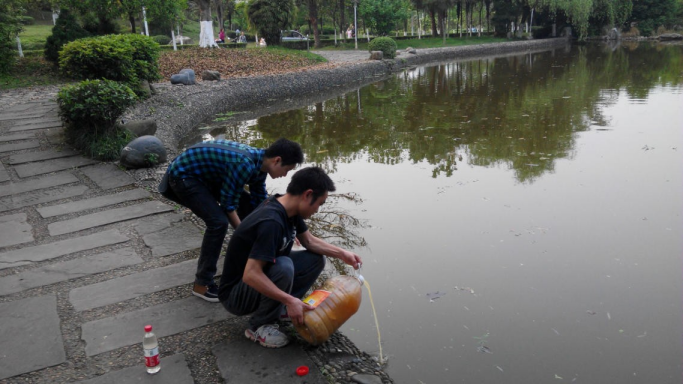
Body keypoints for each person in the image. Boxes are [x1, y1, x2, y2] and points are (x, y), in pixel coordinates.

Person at [218, 167, 363, 348]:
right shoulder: (271, 221)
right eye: (319, 203)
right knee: (284, 266)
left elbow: (309, 241)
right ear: (307, 195)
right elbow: (250, 274)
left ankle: (282, 311)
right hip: (236, 295)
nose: (317, 210)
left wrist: (342, 253)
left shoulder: (288, 208)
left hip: (255, 279)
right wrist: (289, 299)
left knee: (315, 259)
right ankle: (258, 326)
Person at [161, 139, 304, 302]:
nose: (284, 175)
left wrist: (287, 228)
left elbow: (260, 203)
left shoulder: (260, 165)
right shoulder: (244, 164)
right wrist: (244, 233)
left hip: (209, 176)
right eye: (286, 170)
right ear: (277, 160)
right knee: (218, 223)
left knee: (248, 205)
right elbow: (229, 206)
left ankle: (253, 267)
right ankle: (202, 283)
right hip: (184, 176)